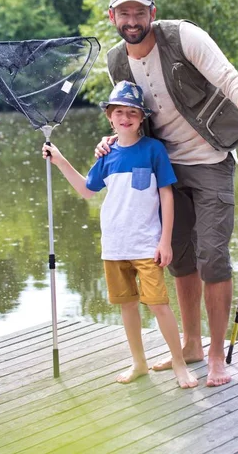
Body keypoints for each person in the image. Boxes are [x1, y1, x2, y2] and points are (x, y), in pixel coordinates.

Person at [95, 0, 238, 387]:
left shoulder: (183, 36)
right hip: (165, 169)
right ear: (112, 17)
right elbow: (128, 113)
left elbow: (232, 80)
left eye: (139, 11)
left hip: (211, 158)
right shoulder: (116, 61)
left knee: (212, 255)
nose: (132, 20)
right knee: (178, 259)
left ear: (152, 11)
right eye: (123, 13)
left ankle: (216, 356)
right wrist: (112, 139)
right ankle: (191, 344)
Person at [43, 80, 198, 389]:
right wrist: (59, 161)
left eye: (132, 113)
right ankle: (139, 363)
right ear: (109, 118)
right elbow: (87, 190)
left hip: (147, 245)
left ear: (142, 119)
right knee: (127, 306)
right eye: (119, 112)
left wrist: (165, 240)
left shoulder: (154, 150)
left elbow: (166, 195)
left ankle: (179, 364)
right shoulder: (107, 154)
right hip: (114, 247)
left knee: (159, 305)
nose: (125, 118)